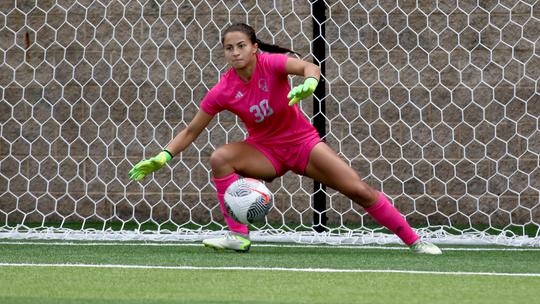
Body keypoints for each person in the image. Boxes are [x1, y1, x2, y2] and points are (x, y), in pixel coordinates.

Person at [129, 23, 442, 255]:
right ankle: (238, 235)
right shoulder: (223, 89)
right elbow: (191, 131)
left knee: (358, 190)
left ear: (254, 47)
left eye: (241, 46)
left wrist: (309, 82)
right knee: (220, 157)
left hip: (303, 144)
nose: (235, 52)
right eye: (229, 48)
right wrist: (163, 157)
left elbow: (309, 65)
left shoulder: (271, 64)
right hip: (265, 152)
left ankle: (414, 240)